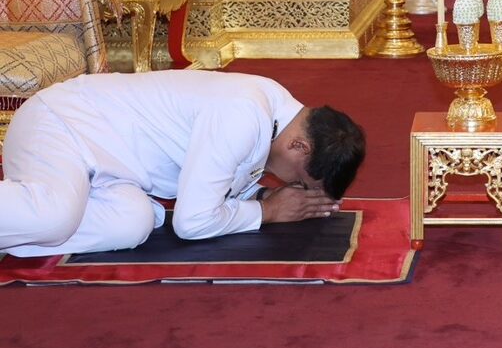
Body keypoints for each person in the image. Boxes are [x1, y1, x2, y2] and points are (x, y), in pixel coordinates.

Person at [0, 71, 365, 257]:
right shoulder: (244, 111)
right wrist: (267, 212)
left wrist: (260, 195)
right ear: (299, 146)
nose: (295, 189)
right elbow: (192, 223)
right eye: (303, 182)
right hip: (61, 125)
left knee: (132, 225)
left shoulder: (278, 113)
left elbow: (224, 175)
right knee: (54, 217)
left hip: (114, 170)